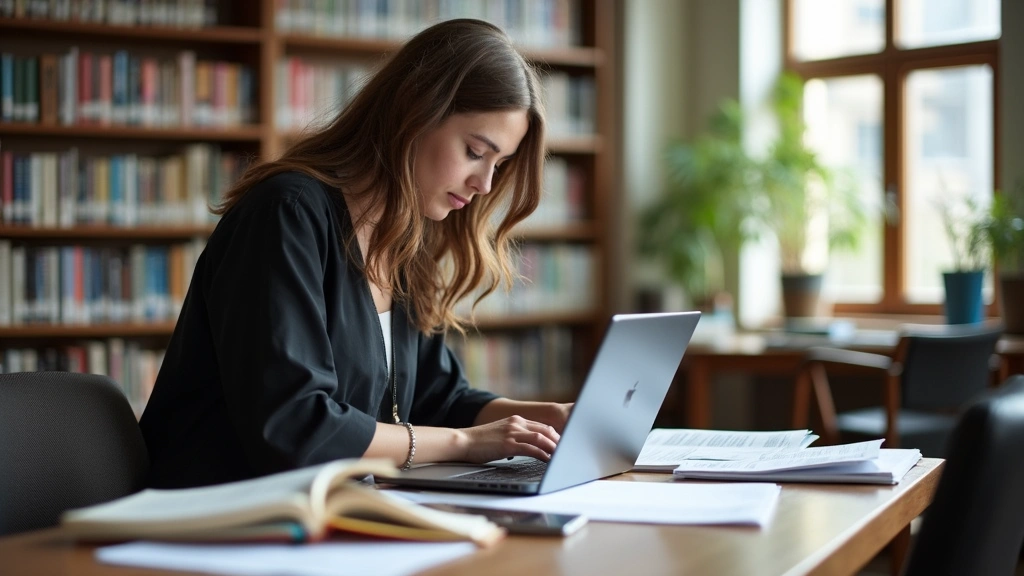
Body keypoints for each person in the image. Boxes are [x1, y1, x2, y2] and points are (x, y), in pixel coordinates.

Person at [139, 19, 573, 489]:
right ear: (414, 110)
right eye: (474, 151)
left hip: (332, 505)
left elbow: (439, 399)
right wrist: (465, 443)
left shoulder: (403, 236)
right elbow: (297, 426)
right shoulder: (286, 214)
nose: (485, 184)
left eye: (499, 164)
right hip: (219, 510)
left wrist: (552, 418)